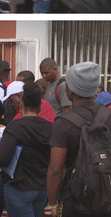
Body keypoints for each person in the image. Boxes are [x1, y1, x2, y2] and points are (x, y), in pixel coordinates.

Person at [47, 62, 111, 217]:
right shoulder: (108, 116)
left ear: (70, 91)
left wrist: (52, 203)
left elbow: (56, 169)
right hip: (106, 195)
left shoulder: (63, 122)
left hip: (74, 198)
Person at [0, 82, 52, 217]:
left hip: (19, 188)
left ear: (22, 104)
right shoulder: (50, 127)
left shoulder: (15, 126)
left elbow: (2, 158)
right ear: (40, 105)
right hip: (42, 188)